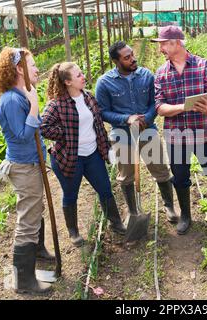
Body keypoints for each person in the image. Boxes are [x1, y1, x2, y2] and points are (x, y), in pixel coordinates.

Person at [152, 26, 207, 235]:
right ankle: (185, 216)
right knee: (180, 178)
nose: (161, 48)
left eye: (163, 43)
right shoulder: (161, 73)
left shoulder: (202, 66)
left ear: (176, 42)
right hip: (176, 137)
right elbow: (159, 107)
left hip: (202, 133)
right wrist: (184, 107)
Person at [40, 62, 126, 247]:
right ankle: (73, 232)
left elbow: (98, 125)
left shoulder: (88, 97)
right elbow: (44, 127)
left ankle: (116, 223)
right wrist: (66, 133)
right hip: (69, 157)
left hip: (92, 154)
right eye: (78, 75)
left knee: (105, 189)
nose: (83, 76)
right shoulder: (57, 104)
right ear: (68, 81)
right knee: (71, 194)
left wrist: (107, 149)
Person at [96, 41, 178, 225]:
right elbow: (102, 112)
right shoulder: (104, 82)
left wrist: (146, 118)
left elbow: (155, 103)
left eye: (132, 54)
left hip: (147, 130)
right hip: (122, 134)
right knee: (126, 175)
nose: (133, 59)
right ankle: (133, 212)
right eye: (127, 58)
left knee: (161, 169)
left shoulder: (147, 76)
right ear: (116, 61)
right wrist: (127, 119)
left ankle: (169, 206)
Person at [0, 47, 52, 294]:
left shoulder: (21, 95)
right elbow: (23, 135)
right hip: (23, 167)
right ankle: (24, 280)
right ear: (19, 69)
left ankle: (37, 252)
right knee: (27, 219)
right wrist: (35, 104)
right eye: (33, 64)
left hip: (32, 163)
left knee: (35, 209)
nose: (37, 69)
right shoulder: (12, 100)